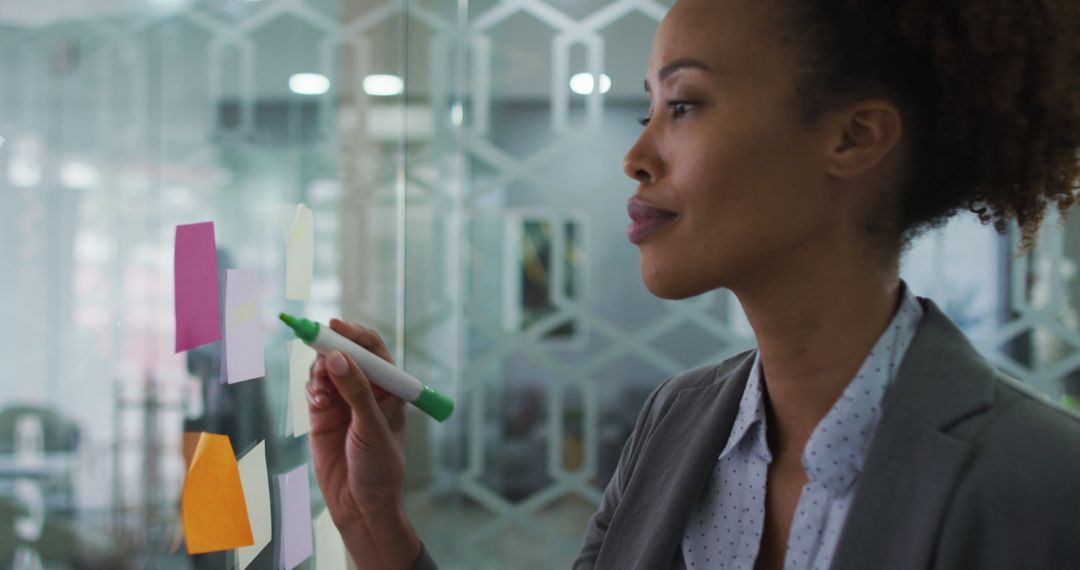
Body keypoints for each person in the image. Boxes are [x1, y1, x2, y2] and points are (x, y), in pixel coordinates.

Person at [305, 0, 1080, 568]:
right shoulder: (676, 422)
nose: (637, 154)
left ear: (851, 137)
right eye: (650, 106)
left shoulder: (1041, 483)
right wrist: (373, 526)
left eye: (683, 104)